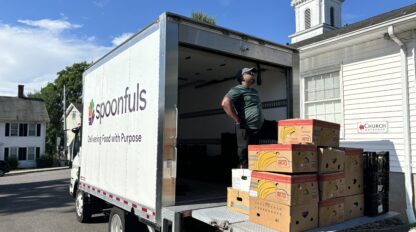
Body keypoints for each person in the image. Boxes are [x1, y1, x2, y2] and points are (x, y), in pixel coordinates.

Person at [221, 67, 275, 168]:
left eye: (252, 73)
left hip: (258, 126)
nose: (252, 75)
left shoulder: (254, 91)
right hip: (245, 127)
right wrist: (236, 119)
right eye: (249, 73)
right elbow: (225, 103)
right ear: (242, 77)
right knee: (244, 152)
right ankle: (243, 173)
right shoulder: (237, 89)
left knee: (255, 153)